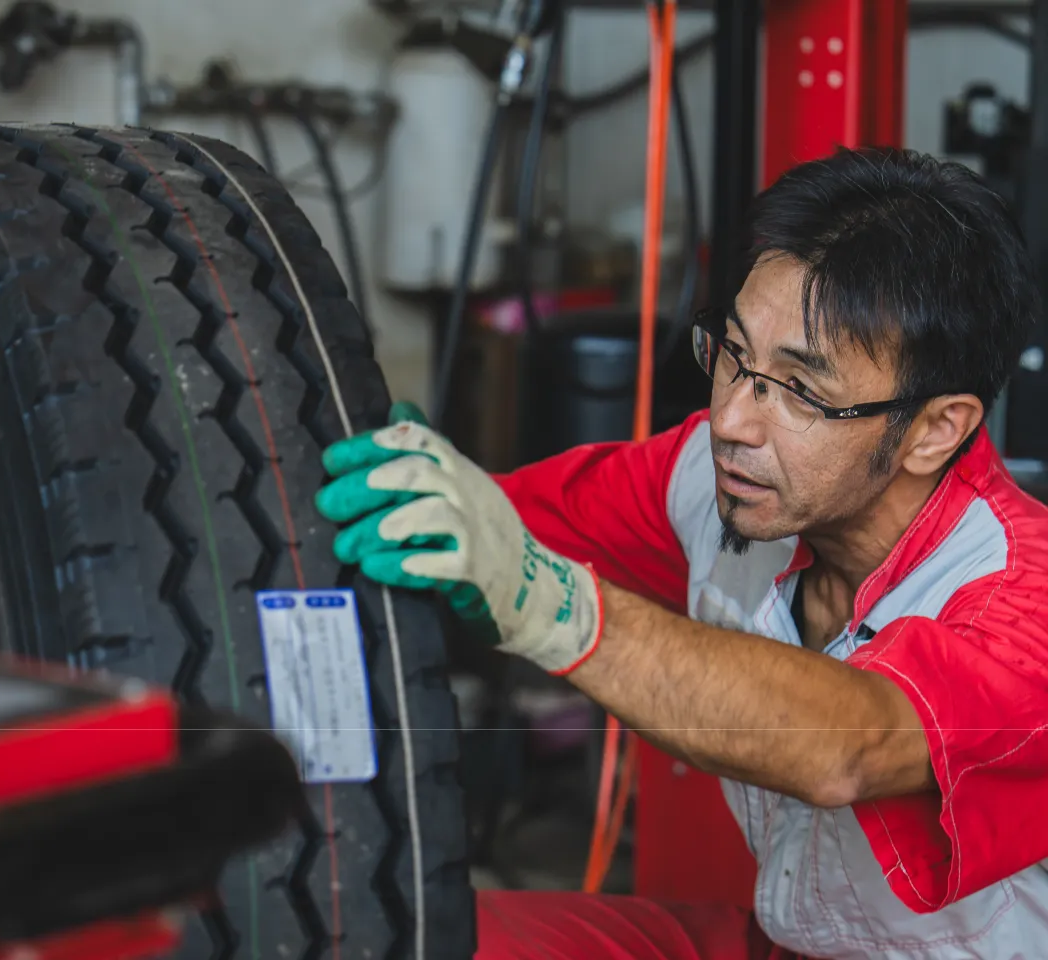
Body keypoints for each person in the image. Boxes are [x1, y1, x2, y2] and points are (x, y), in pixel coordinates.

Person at [313, 146, 1048, 960]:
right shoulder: (710, 477)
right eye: (733, 353)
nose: (732, 420)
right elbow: (505, 525)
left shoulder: (1024, 599)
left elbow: (850, 744)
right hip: (784, 949)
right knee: (409, 936)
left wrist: (546, 602)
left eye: (802, 390)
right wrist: (426, 496)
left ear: (936, 430)